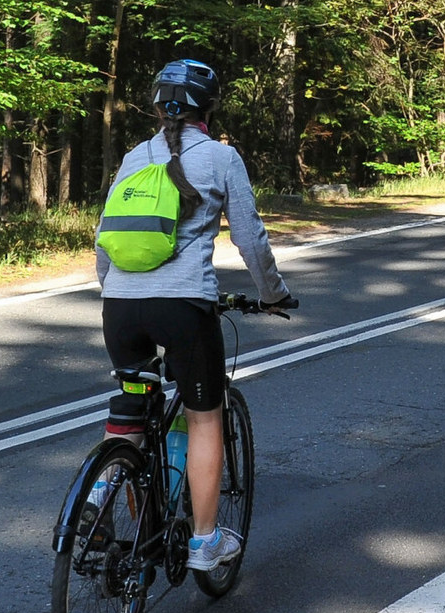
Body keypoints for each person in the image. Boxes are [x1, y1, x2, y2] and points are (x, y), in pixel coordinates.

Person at [95, 59, 296, 571]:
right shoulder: (222, 158)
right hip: (183, 308)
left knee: (131, 406)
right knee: (204, 418)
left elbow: (104, 241)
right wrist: (272, 294)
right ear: (207, 109)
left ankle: (97, 506)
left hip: (119, 308)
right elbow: (250, 240)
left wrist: (119, 292)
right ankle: (204, 542)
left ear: (158, 104)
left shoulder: (134, 156)